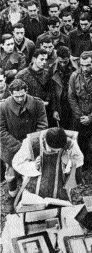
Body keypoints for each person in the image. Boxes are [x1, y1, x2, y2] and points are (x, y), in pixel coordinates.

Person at [0, 79, 48, 212]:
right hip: (11, 147)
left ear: (26, 91)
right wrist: (19, 147)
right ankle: (12, 196)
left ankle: (30, 196)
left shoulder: (37, 104)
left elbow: (42, 125)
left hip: (32, 146)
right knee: (11, 173)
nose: (20, 99)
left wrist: (31, 143)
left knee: (32, 171)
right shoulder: (3, 107)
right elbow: (1, 131)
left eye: (23, 95)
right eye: (17, 96)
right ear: (10, 94)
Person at [12, 127, 83, 202]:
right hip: (35, 183)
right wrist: (34, 166)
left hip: (59, 183)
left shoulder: (69, 142)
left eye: (57, 151)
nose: (52, 152)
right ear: (45, 140)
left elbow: (79, 160)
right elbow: (17, 163)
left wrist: (68, 162)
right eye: (51, 149)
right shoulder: (31, 141)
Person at [51, 46, 78, 129]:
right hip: (61, 104)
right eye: (60, 62)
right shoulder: (52, 68)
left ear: (69, 57)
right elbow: (52, 91)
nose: (62, 64)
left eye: (65, 62)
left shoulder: (78, 64)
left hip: (75, 101)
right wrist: (54, 109)